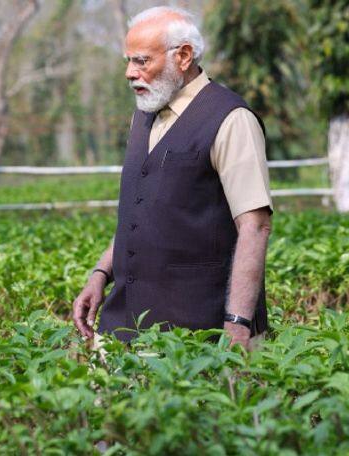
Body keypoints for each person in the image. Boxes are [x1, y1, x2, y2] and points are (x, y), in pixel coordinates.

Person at [72, 6, 273, 351]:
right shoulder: (143, 116)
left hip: (199, 334)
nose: (128, 72)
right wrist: (100, 274)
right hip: (124, 325)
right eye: (128, 61)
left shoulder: (232, 119)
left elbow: (255, 226)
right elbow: (141, 214)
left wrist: (238, 323)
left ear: (183, 56)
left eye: (141, 61)